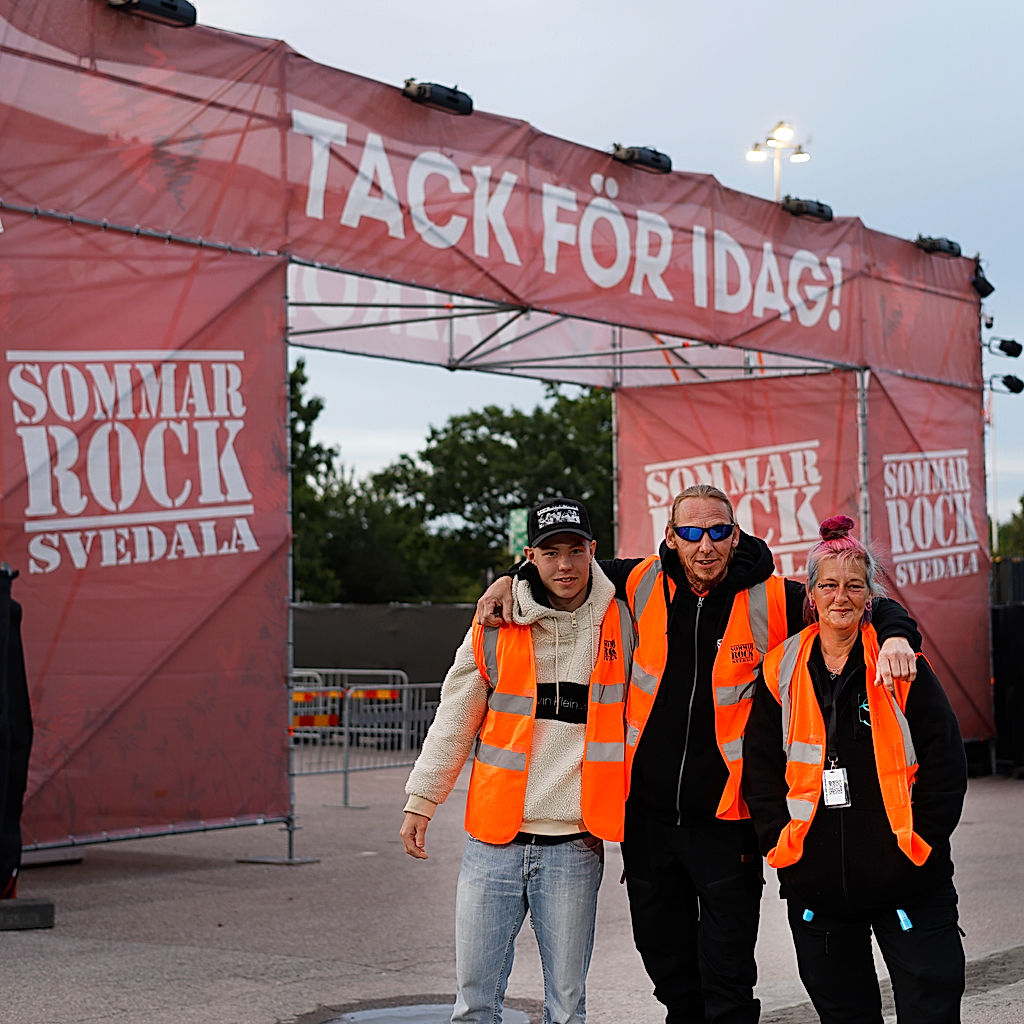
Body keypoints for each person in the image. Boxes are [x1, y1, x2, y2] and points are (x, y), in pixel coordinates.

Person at [475, 483, 921, 1024]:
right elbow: (560, 564)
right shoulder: (638, 581)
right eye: (690, 533)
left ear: (735, 536)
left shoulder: (774, 597)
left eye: (716, 532)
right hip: (649, 823)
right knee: (666, 964)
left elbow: (851, 598)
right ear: (671, 537)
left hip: (727, 823)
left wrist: (897, 636)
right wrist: (508, 579)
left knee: (727, 973)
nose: (704, 545)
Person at [400, 497, 636, 1024]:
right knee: (475, 1003)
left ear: (594, 551)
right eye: (550, 553)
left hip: (575, 845)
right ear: (530, 556)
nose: (565, 565)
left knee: (567, 1006)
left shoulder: (624, 619)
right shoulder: (494, 623)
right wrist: (423, 798)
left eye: (576, 551)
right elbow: (455, 715)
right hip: (494, 845)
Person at [742, 515, 967, 1024]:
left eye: (853, 585)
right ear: (811, 595)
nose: (840, 596)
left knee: (931, 1007)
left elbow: (946, 764)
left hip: (908, 880)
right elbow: (760, 769)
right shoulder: (780, 668)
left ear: (870, 597)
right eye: (828, 585)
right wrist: (782, 848)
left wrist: (921, 847)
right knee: (843, 1012)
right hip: (816, 884)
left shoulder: (900, 663)